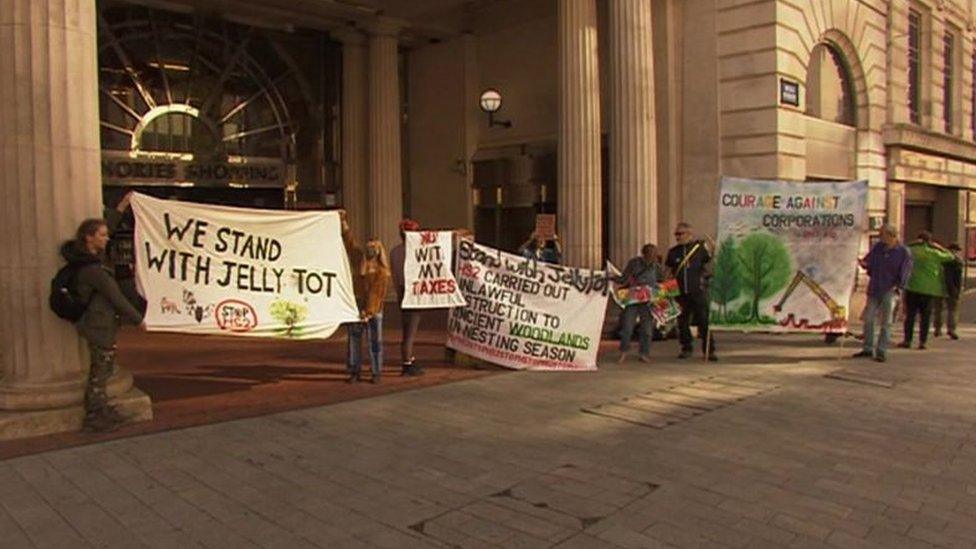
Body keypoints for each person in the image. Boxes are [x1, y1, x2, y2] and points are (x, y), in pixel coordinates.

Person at [61, 219, 146, 432]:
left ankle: (101, 410)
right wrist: (138, 320)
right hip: (98, 325)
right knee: (101, 370)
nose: (107, 238)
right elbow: (115, 296)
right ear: (89, 238)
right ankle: (96, 414)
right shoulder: (93, 270)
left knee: (103, 367)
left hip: (97, 322)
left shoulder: (87, 263)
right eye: (102, 235)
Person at [340, 212, 391, 383]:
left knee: (375, 341)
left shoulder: (382, 272)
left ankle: (376, 371)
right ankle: (354, 370)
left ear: (378, 251)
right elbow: (350, 243)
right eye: (368, 247)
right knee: (354, 340)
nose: (370, 250)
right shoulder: (359, 260)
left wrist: (368, 311)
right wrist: (343, 222)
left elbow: (376, 293)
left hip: (374, 310)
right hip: (357, 307)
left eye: (373, 248)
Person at [852, 225, 912, 362]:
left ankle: (881, 350)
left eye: (882, 235)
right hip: (874, 288)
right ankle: (867, 347)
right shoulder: (878, 248)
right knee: (868, 319)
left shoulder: (903, 252)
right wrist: (862, 263)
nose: (880, 237)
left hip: (889, 290)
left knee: (886, 322)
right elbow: (869, 262)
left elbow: (905, 271)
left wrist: (899, 287)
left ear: (891, 236)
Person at [666, 222, 717, 361]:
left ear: (689, 234)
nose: (678, 237)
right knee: (682, 322)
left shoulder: (699, 249)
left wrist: (714, 249)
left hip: (697, 291)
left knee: (703, 321)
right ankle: (686, 347)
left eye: (680, 234)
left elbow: (710, 262)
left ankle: (709, 350)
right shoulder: (673, 252)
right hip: (680, 293)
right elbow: (669, 272)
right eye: (676, 234)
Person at [899, 231, 955, 350]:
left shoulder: (912, 251)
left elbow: (900, 249)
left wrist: (912, 243)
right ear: (930, 241)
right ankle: (922, 342)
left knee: (910, 316)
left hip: (913, 287)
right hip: (929, 290)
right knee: (925, 317)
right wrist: (938, 246)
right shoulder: (935, 253)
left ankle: (907, 340)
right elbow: (951, 256)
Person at [389, 218, 425, 376]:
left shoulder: (395, 252)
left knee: (406, 328)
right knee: (410, 330)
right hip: (412, 291)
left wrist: (398, 293)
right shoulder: (417, 251)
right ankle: (407, 363)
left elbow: (395, 277)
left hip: (403, 292)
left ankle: (409, 358)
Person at [614, 244, 662, 363]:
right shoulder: (634, 263)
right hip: (633, 298)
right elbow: (624, 278)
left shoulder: (657, 267)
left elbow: (662, 282)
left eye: (653, 255)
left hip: (648, 301)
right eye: (649, 254)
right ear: (643, 254)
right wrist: (612, 278)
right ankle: (623, 351)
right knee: (627, 327)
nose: (651, 257)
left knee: (647, 329)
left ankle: (644, 353)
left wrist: (659, 294)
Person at [933, 243, 964, 340]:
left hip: (939, 287)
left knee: (939, 309)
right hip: (952, 288)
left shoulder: (940, 259)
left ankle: (938, 329)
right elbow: (958, 279)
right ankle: (951, 329)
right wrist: (958, 289)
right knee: (952, 310)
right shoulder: (958, 261)